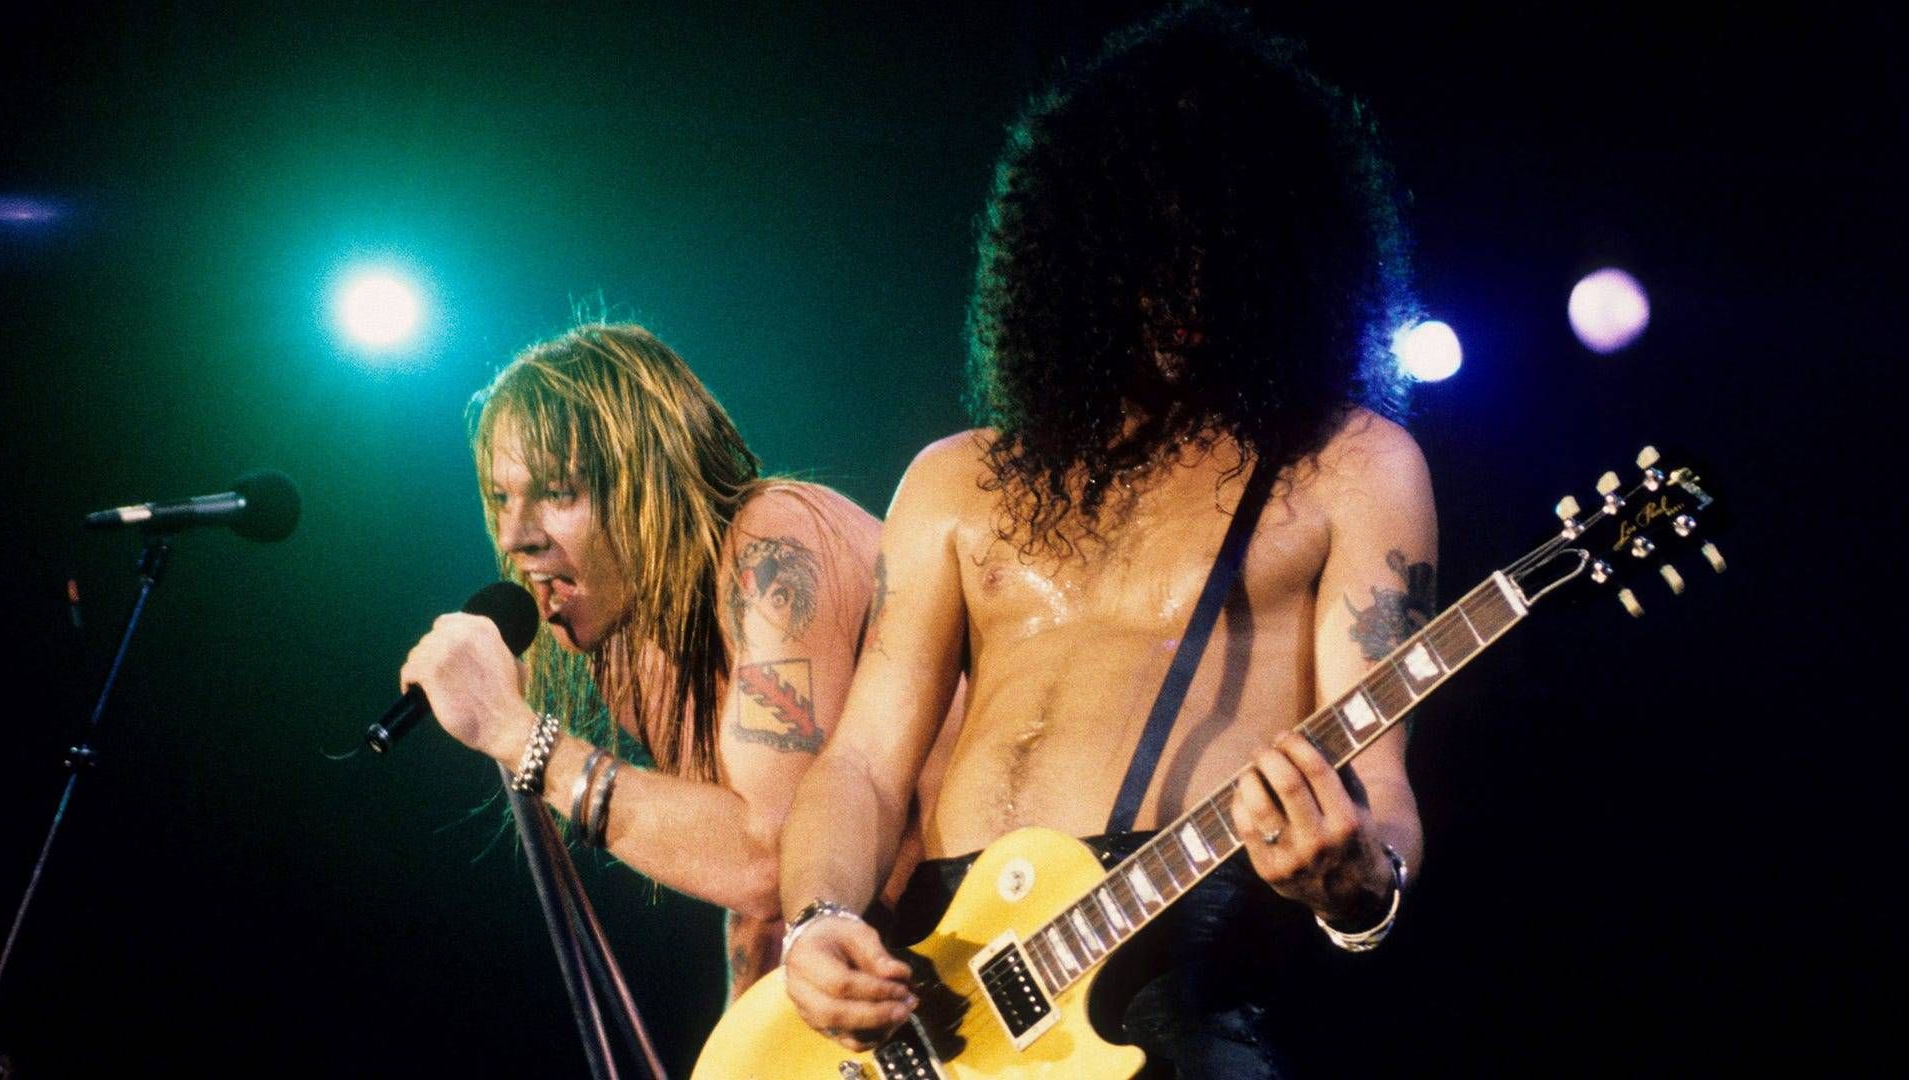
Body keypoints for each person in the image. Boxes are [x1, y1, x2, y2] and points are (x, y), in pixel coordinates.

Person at [776, 5, 1431, 1075]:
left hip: (1184, 977)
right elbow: (860, 766)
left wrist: (1362, 887)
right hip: (949, 1000)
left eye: (1221, 237)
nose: (1187, 279)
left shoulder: (1349, 465)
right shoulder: (954, 480)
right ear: (1075, 247)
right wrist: (817, 922)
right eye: (1149, 239)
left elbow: (1381, 780)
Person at [399, 322, 937, 999]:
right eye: (502, 498)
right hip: (901, 979)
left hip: (1000, 907)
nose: (514, 536)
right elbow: (756, 908)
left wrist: (517, 733)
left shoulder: (773, 547)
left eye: (557, 493)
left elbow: (772, 857)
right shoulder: (630, 648)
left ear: (650, 484)